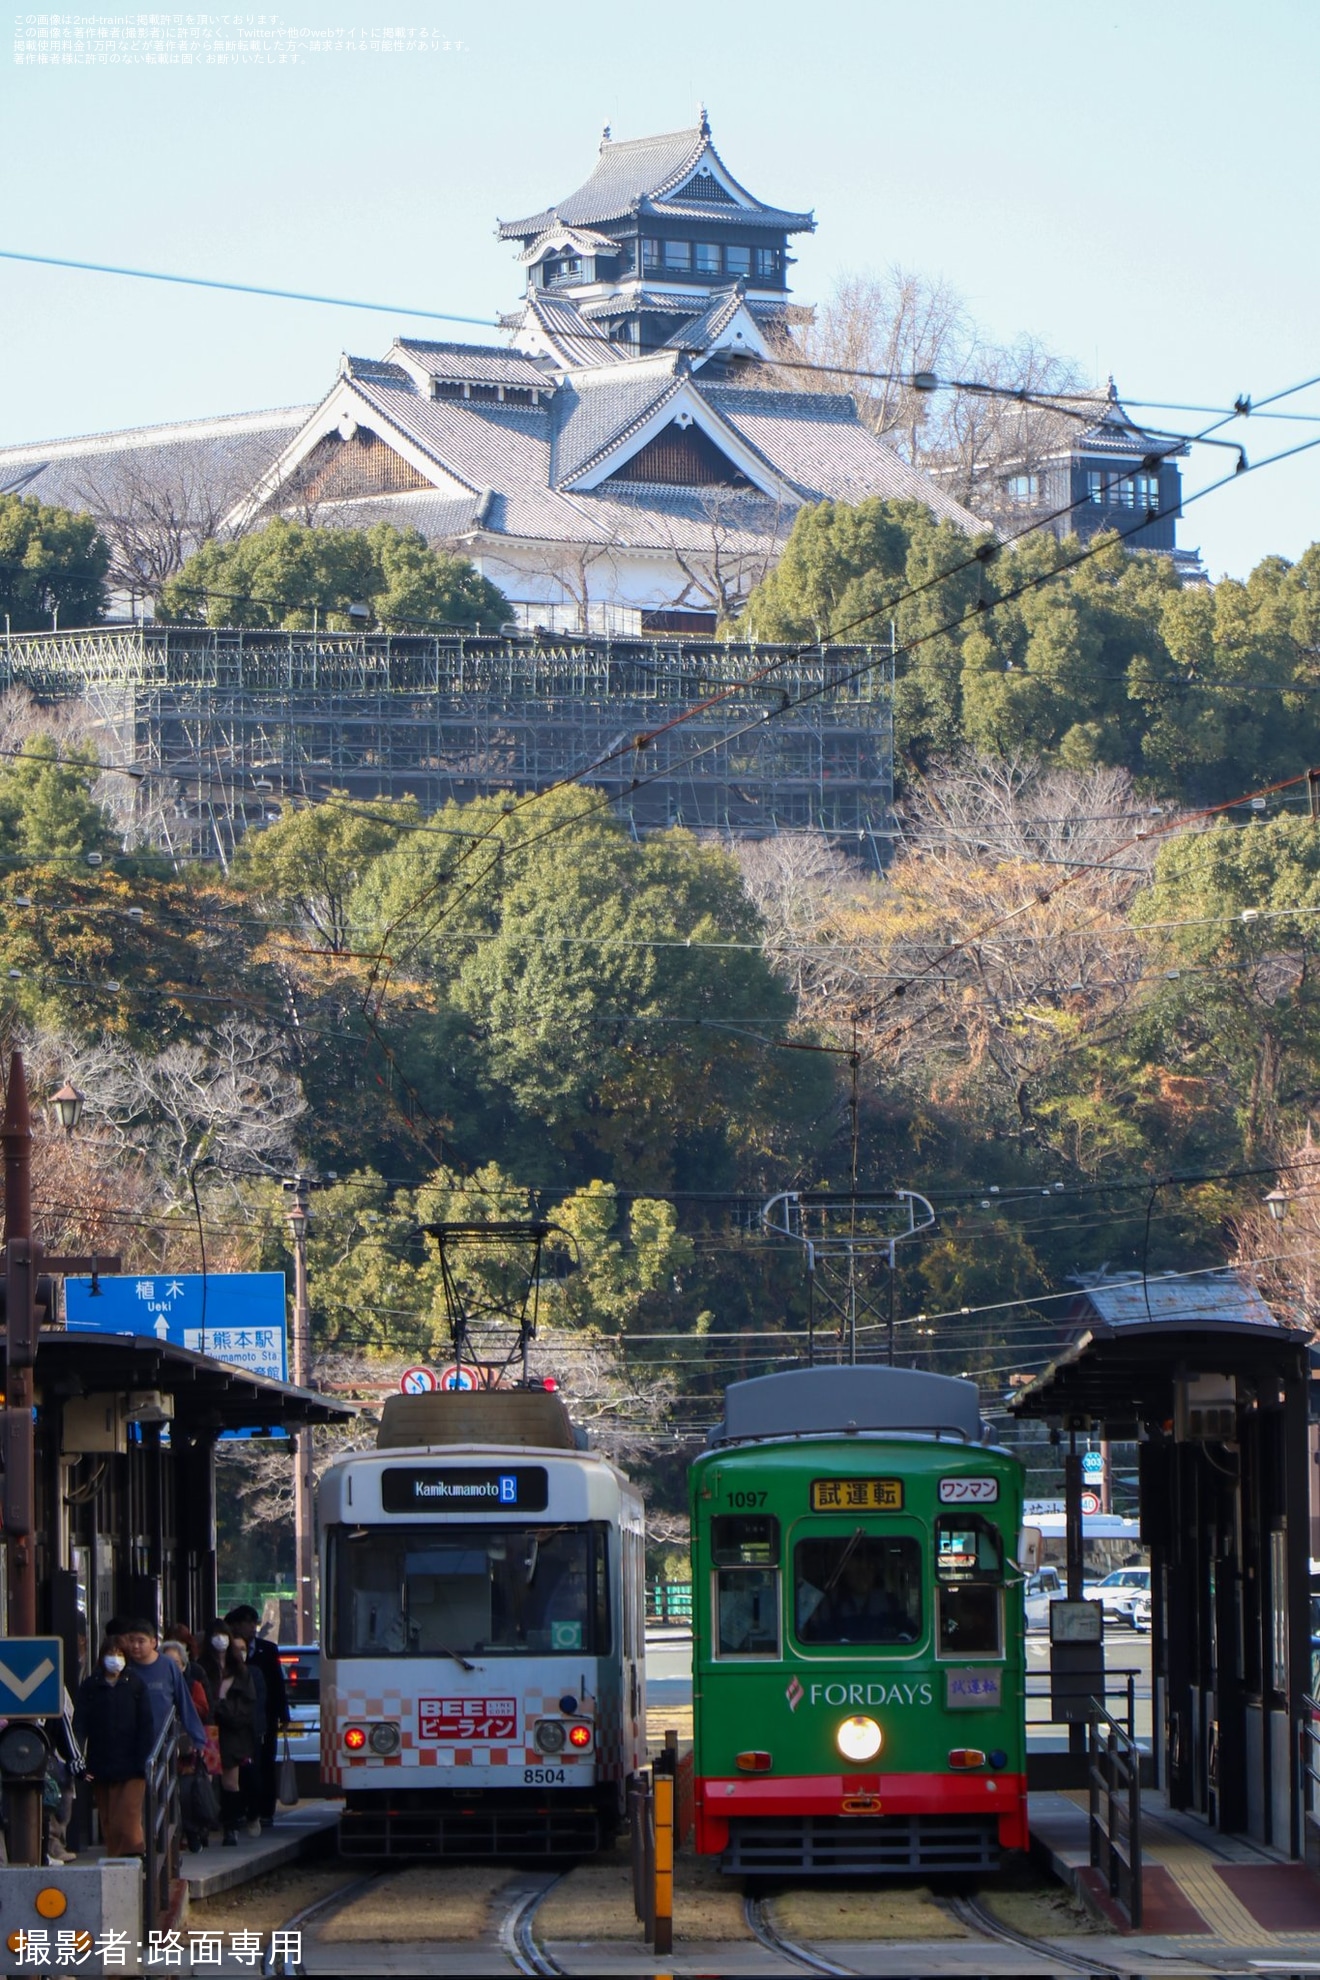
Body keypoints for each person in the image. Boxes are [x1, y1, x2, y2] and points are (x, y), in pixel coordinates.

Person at [72, 1635, 154, 1857]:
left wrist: (145, 1758)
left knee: (126, 1815)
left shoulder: (136, 1684)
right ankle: (116, 1857)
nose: (115, 1659)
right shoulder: (91, 1686)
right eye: (110, 1654)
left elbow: (147, 1724)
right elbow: (79, 1724)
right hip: (101, 1761)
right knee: (108, 1817)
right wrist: (78, 1757)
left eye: (119, 1654)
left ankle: (134, 1854)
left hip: (133, 1764)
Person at [224, 1607, 289, 1829]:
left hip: (265, 1716)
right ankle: (242, 1808)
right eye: (246, 1622)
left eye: (254, 1622)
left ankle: (265, 1809)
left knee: (265, 1763)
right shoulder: (227, 1652)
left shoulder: (268, 1650)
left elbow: (277, 1684)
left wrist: (283, 1713)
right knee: (241, 1766)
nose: (252, 1626)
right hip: (237, 1721)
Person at [121, 1619, 208, 1754]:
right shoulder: (124, 1666)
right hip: (129, 1744)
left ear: (153, 1642)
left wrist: (198, 1739)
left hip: (162, 1742)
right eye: (131, 1641)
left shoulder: (168, 1666)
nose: (135, 1646)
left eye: (141, 1641)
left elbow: (184, 1702)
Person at [205, 1624, 257, 1847]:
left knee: (230, 1782)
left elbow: (247, 1706)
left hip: (233, 1733)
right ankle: (204, 1825)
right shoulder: (203, 1668)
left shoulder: (242, 1672)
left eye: (223, 1635)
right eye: (215, 1635)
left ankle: (231, 1827)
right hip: (208, 1730)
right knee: (205, 1779)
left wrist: (223, 1708)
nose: (220, 1640)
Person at [162, 1641, 216, 1853]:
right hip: (163, 1746)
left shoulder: (193, 1685)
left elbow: (203, 1709)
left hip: (187, 1748)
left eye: (176, 1663)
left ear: (184, 1665)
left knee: (187, 1792)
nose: (173, 1667)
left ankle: (193, 1832)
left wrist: (183, 1703)